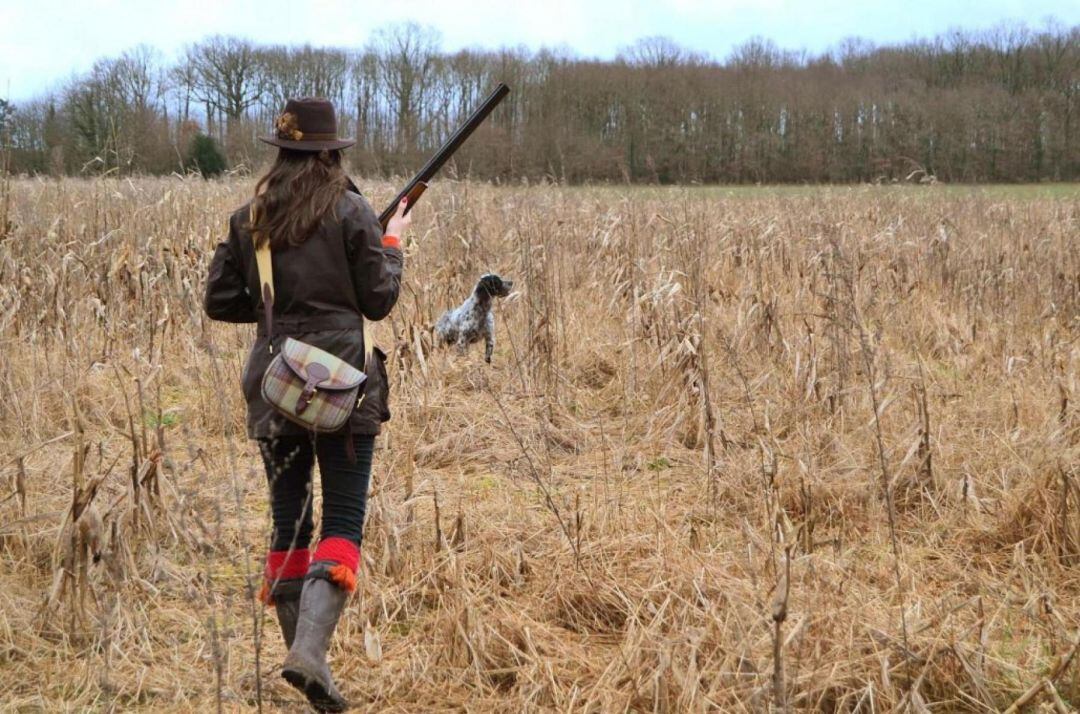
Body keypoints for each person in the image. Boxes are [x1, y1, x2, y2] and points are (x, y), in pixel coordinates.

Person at [203, 97, 409, 712]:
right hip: (344, 384)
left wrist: (277, 317)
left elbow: (219, 299)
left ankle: (308, 665)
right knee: (343, 522)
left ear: (282, 153)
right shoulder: (353, 211)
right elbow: (379, 299)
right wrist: (392, 240)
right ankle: (310, 656)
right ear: (330, 153)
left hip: (274, 384)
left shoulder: (250, 220)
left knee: (289, 522)